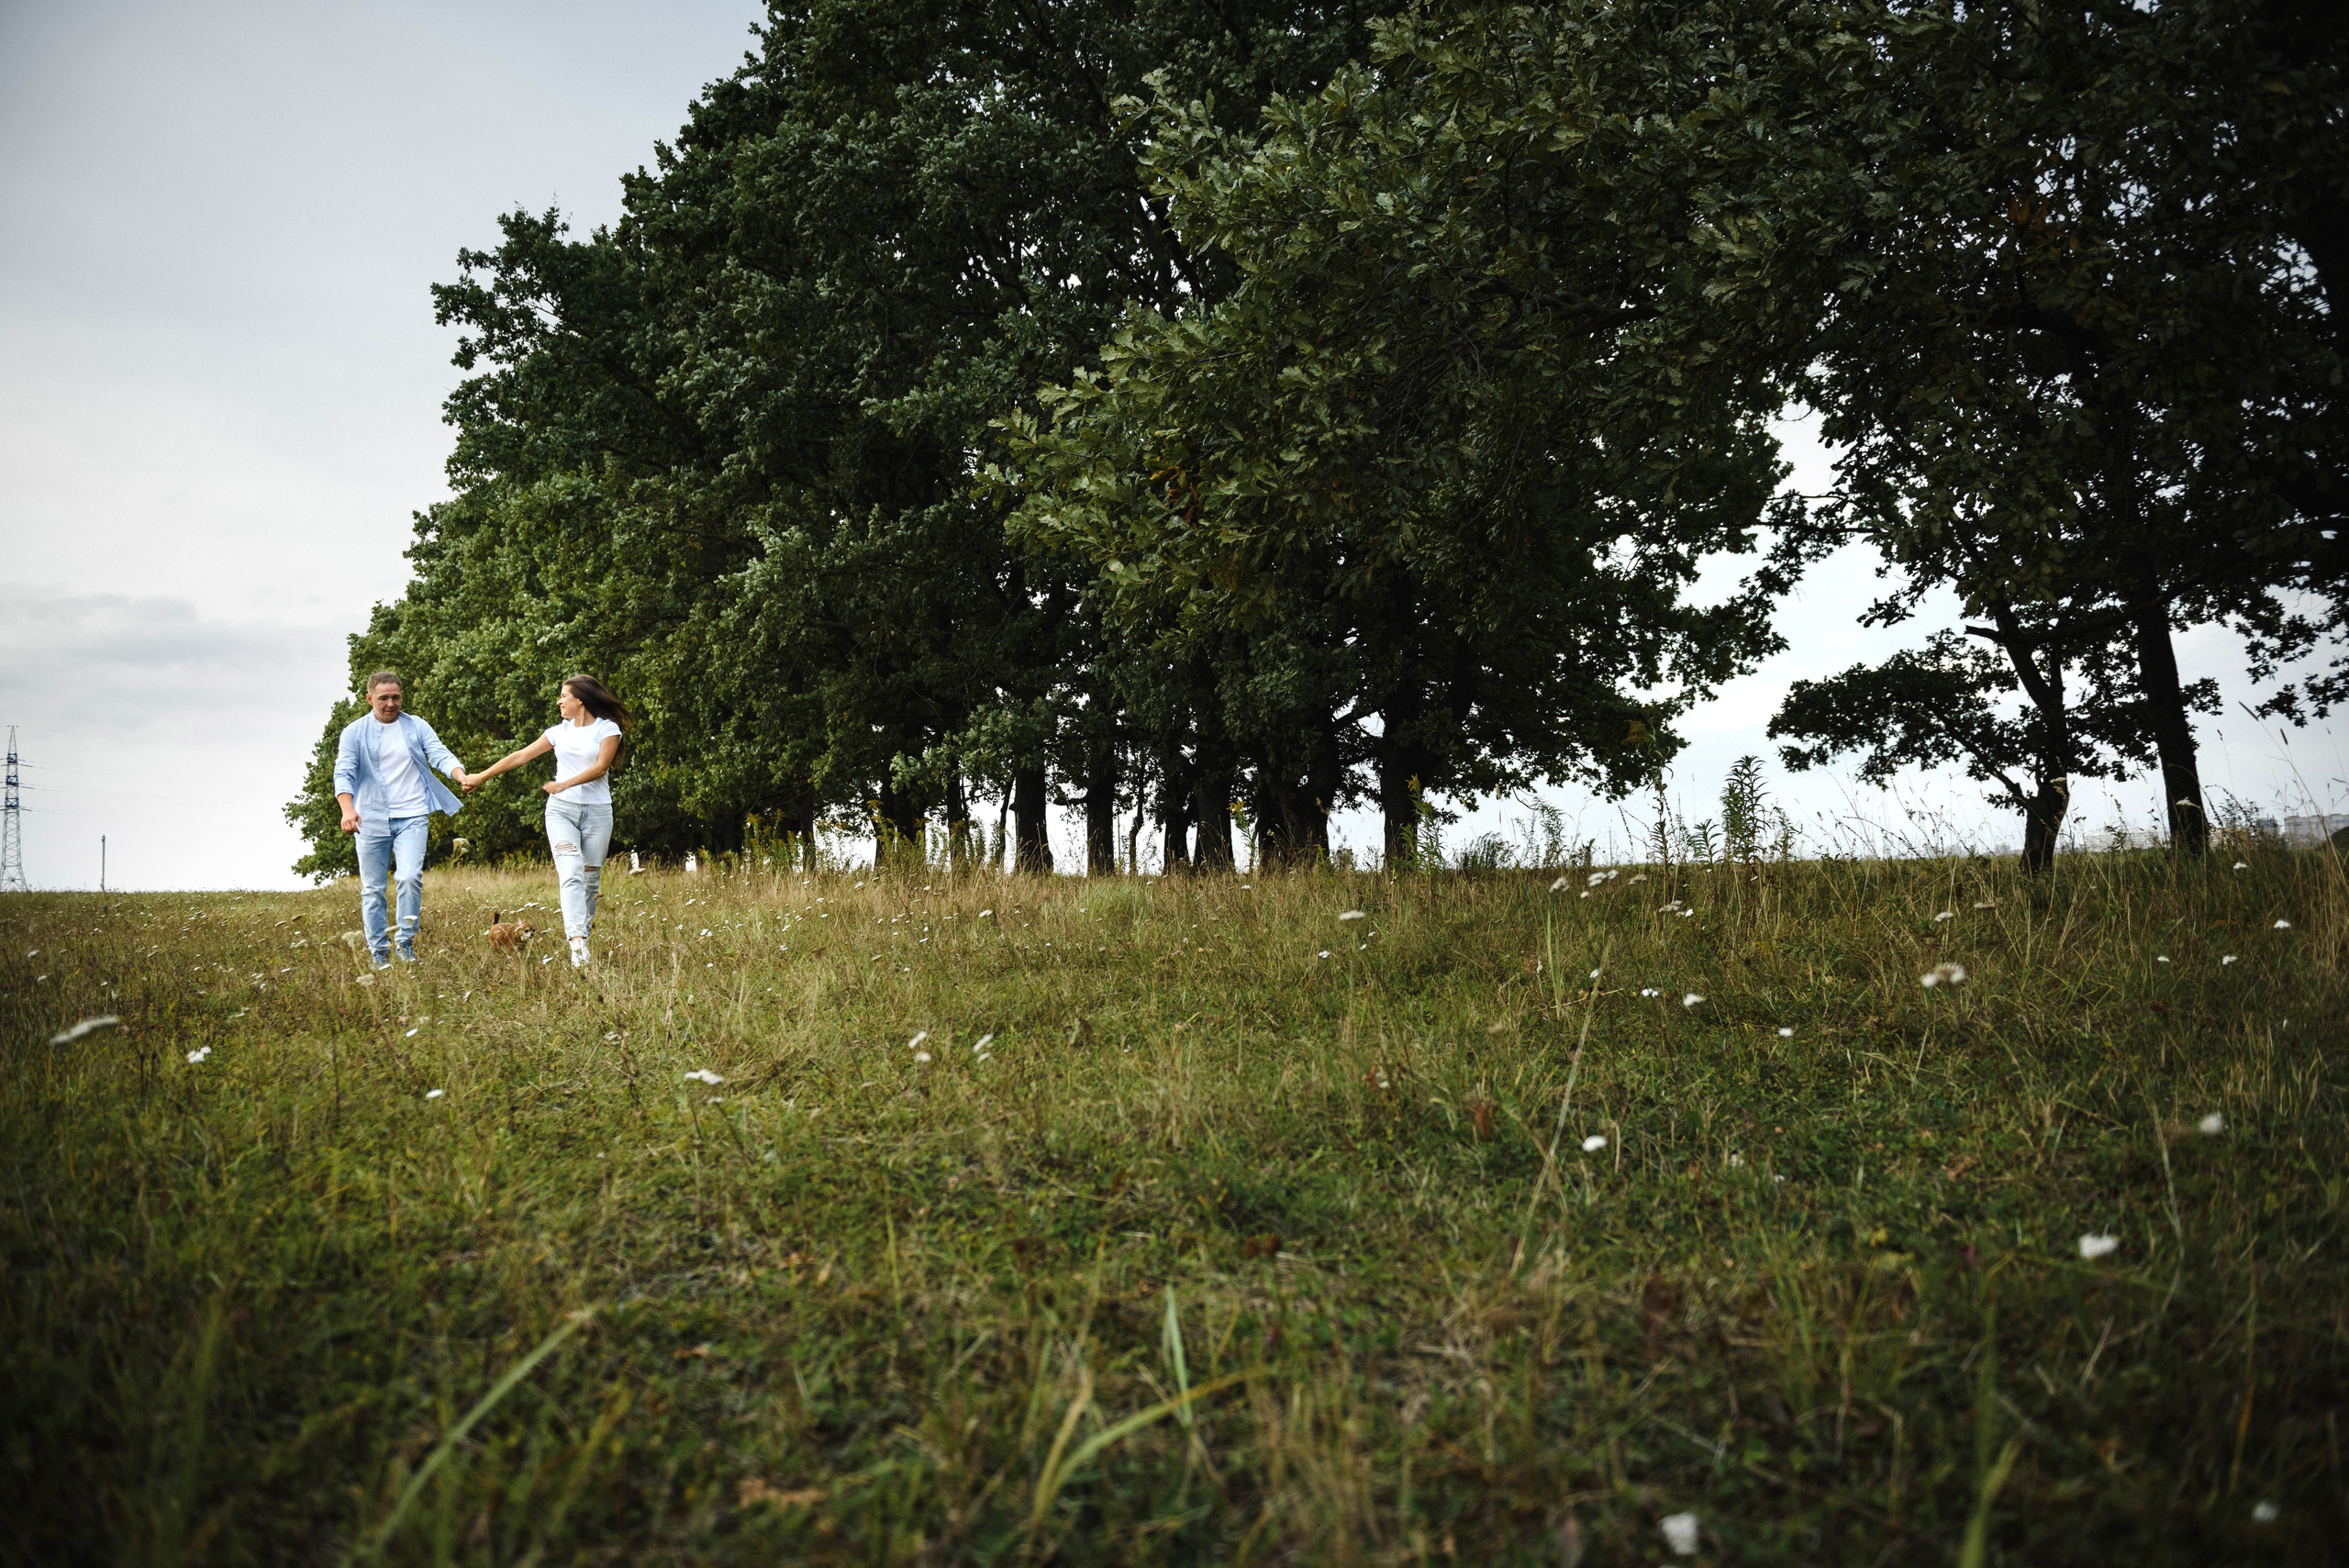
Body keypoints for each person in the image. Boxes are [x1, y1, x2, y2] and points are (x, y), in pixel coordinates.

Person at [464, 675, 629, 968]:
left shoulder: (608, 729)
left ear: (580, 699)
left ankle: (584, 937)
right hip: (561, 812)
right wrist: (482, 776)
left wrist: (563, 784)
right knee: (571, 871)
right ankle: (577, 944)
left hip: (598, 813)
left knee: (590, 880)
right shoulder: (558, 732)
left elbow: (601, 767)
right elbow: (520, 756)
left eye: (564, 695)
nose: (559, 701)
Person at [333, 671, 470, 967]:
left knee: (409, 877)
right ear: (370, 699)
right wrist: (347, 808)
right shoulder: (354, 732)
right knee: (373, 888)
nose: (390, 703)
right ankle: (379, 951)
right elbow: (343, 772)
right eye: (383, 698)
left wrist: (459, 775)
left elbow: (439, 754)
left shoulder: (416, 726)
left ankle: (405, 943)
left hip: (412, 815)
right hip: (370, 818)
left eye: (396, 697)